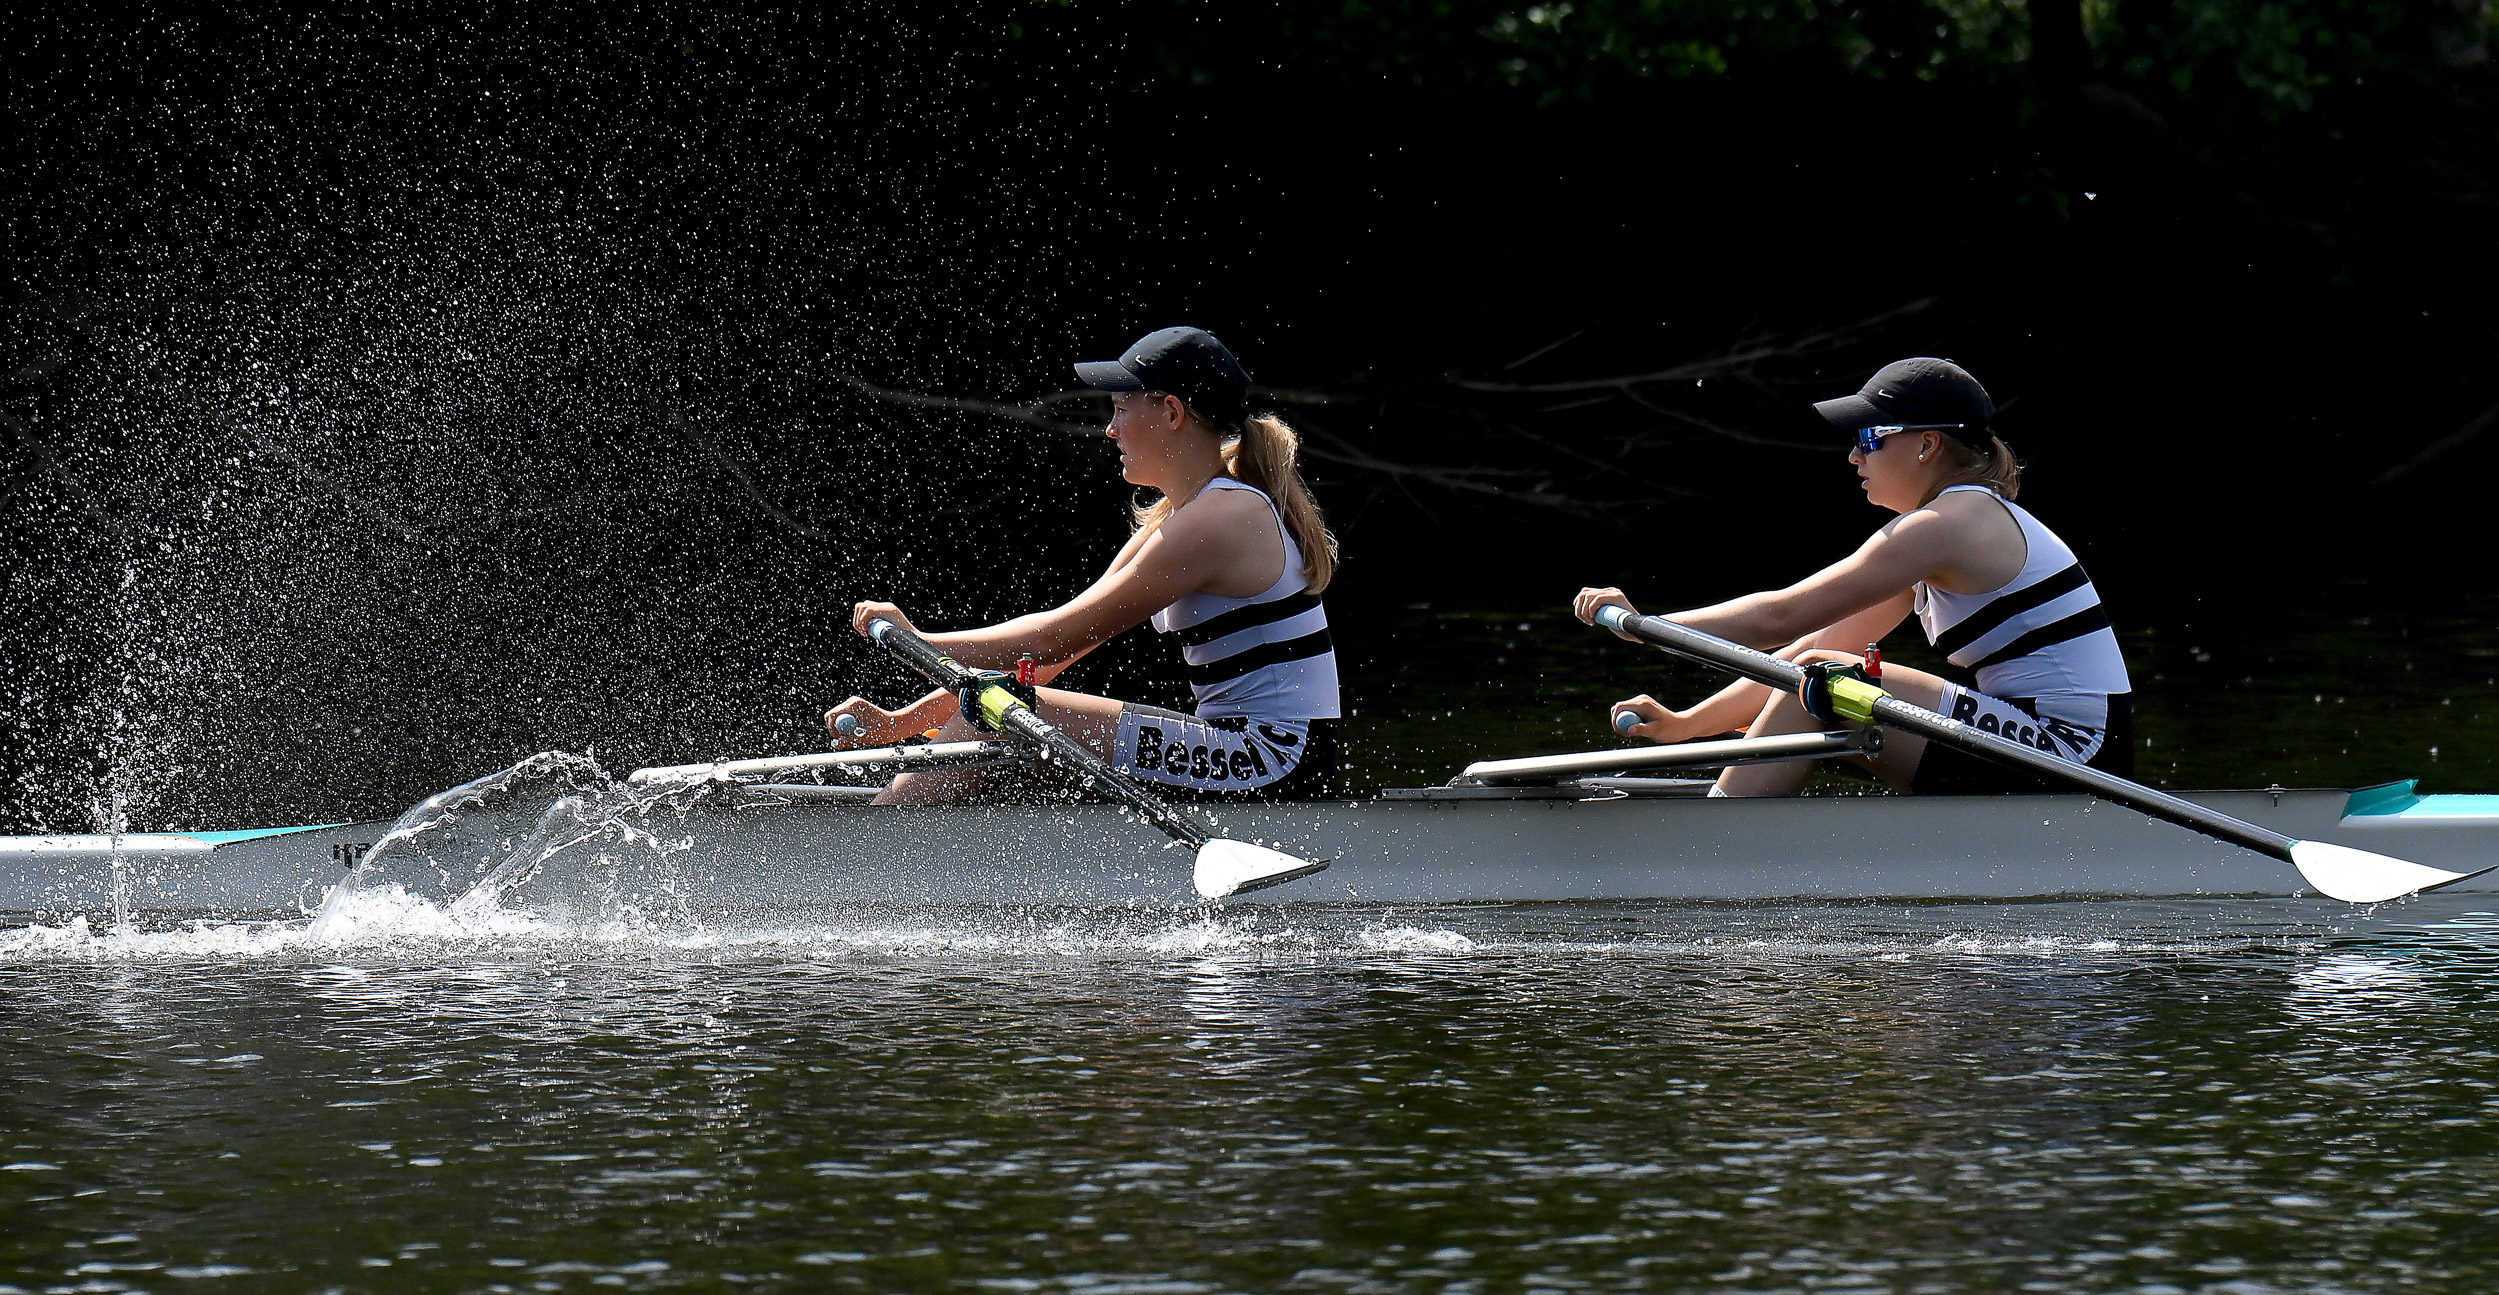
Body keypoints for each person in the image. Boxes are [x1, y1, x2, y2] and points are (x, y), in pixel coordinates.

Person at [1571, 357, 2132, 796]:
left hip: (2078, 756)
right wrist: (1686, 726)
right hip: (2047, 745)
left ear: (1926, 445)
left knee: (1825, 683)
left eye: (1869, 437)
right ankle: (1730, 828)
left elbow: (1782, 614)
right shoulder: (1946, 530)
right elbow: (1807, 643)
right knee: (1818, 669)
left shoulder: (1949, 524)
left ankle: (1710, 851)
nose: (1853, 456)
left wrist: (1643, 624)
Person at [828, 326, 1342, 805]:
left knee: (995, 713)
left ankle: (876, 859)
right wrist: (902, 723)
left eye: (1120, 409)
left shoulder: (1223, 517)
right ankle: (914, 852)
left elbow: (1051, 639)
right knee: (996, 713)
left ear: (1170, 412)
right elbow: (1044, 657)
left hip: (1275, 757)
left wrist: (918, 640)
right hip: (1241, 752)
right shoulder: (1179, 518)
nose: (1111, 431)